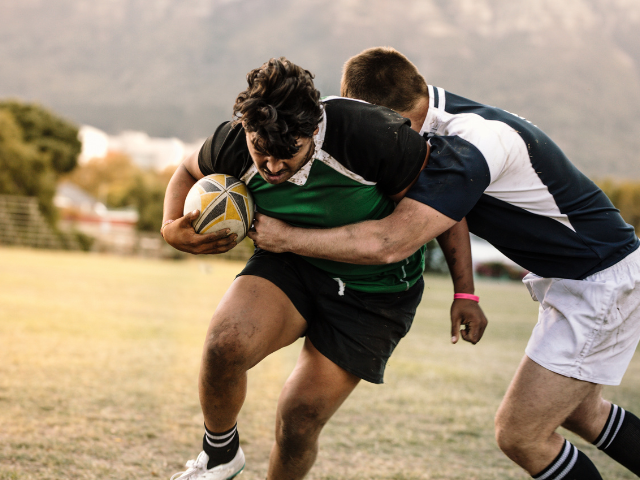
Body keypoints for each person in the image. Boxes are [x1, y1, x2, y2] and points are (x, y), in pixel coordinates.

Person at [249, 47, 640, 480]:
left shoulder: (472, 141)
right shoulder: (441, 125)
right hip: (585, 278)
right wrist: (466, 291)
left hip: (600, 282)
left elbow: (390, 242)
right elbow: (458, 208)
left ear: (378, 114)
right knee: (583, 414)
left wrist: (285, 238)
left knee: (521, 435)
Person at [161, 56, 487, 480]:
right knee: (224, 344)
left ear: (314, 129)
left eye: (287, 154)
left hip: (375, 291)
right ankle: (220, 455)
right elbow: (187, 170)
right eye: (262, 152)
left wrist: (465, 293)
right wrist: (171, 230)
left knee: (298, 418)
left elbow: (446, 205)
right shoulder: (235, 141)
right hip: (291, 265)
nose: (273, 167)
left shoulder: (370, 135)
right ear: (246, 128)